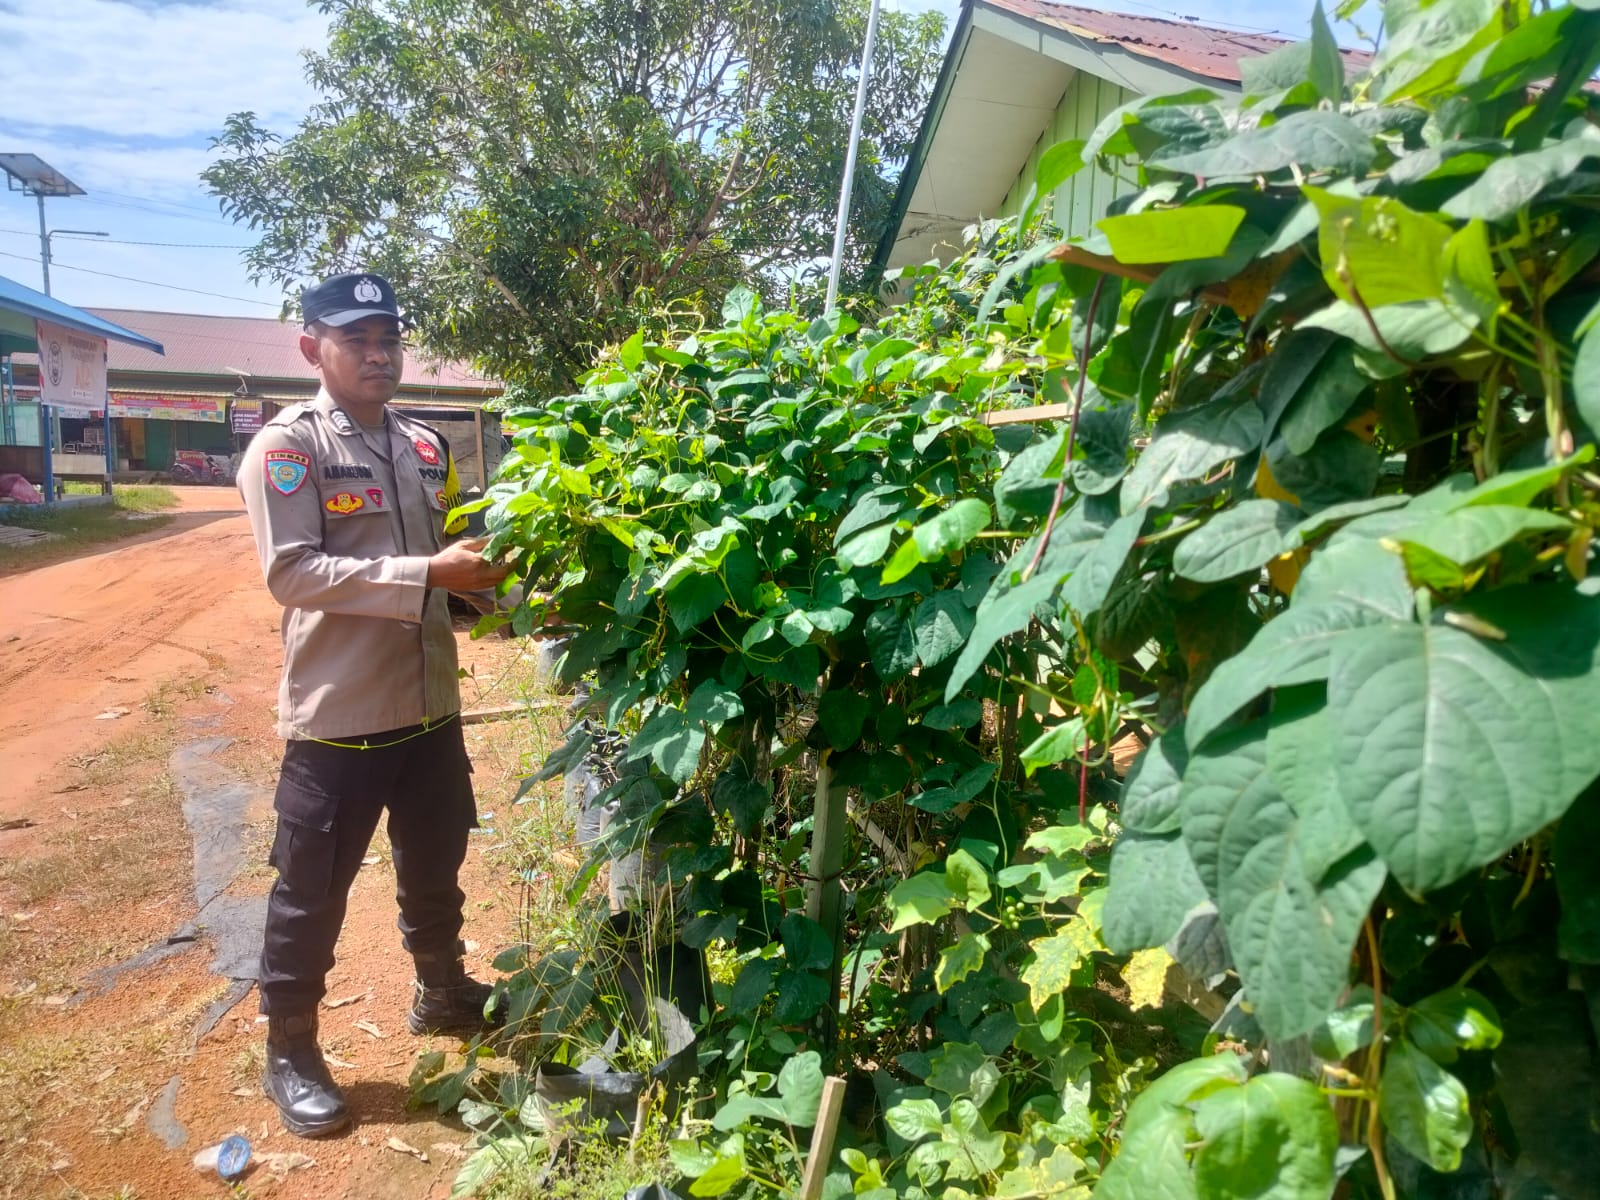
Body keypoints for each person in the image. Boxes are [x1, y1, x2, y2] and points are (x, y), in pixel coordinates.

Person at [237, 272, 511, 1138]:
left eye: (389, 337)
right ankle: (291, 1047)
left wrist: (498, 597)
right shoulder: (290, 448)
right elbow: (292, 573)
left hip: (428, 704)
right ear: (311, 346)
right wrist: (430, 574)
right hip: (342, 715)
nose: (379, 353)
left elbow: (452, 562)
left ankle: (442, 988)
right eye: (357, 339)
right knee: (311, 890)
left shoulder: (422, 445)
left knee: (435, 861)